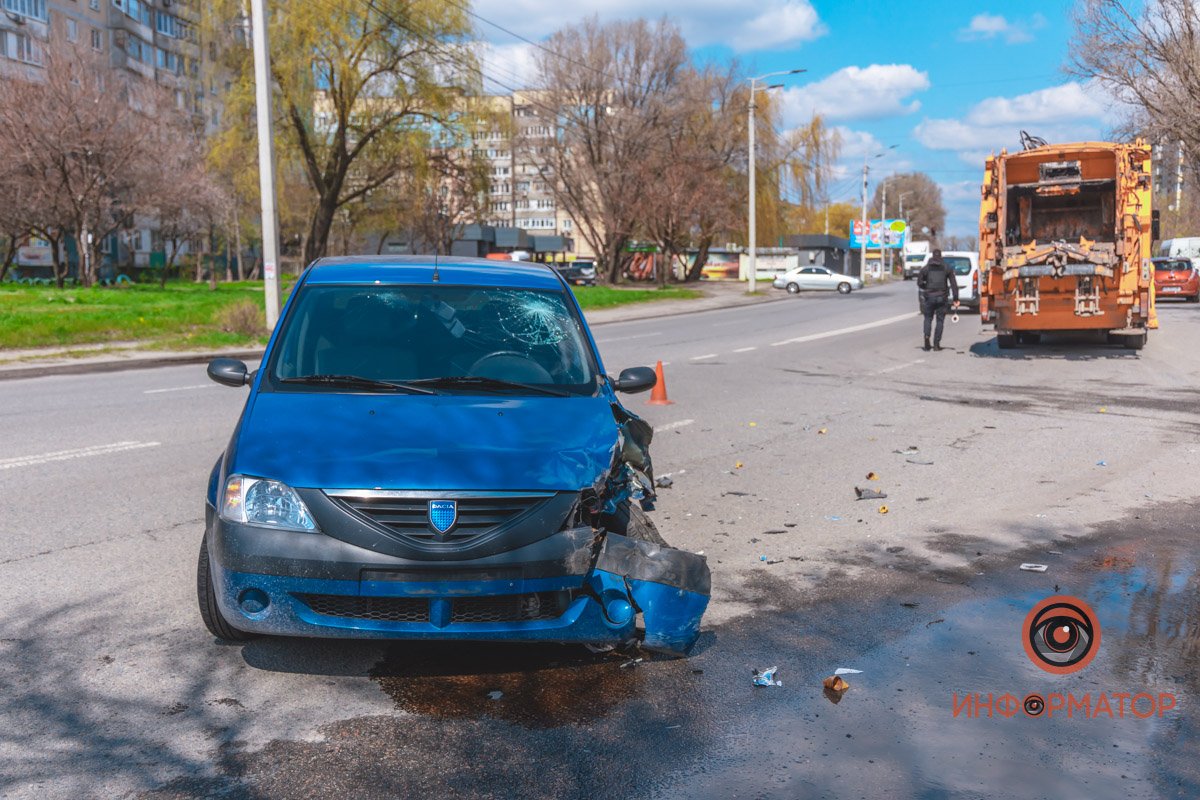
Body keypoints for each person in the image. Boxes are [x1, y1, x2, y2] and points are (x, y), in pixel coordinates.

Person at [917, 249, 960, 351]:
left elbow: (919, 282)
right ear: (941, 257)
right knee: (940, 321)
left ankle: (927, 337)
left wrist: (926, 287)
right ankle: (936, 344)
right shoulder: (946, 267)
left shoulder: (926, 268)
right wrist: (956, 298)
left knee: (928, 318)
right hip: (942, 298)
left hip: (929, 298)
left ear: (932, 256)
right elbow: (954, 284)